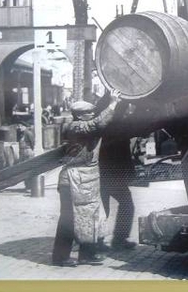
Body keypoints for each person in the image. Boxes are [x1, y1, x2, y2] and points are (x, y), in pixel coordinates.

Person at [52, 89, 122, 268]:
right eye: (89, 113)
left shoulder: (84, 125)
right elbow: (98, 124)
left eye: (92, 112)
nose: (92, 114)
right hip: (73, 180)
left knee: (91, 217)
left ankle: (86, 255)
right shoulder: (75, 127)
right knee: (69, 219)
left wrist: (109, 95)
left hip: (88, 180)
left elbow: (98, 120)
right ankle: (60, 257)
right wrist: (113, 103)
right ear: (80, 116)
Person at [98, 105, 137, 252]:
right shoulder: (121, 127)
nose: (129, 111)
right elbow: (123, 155)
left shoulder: (106, 126)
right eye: (127, 109)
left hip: (102, 173)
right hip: (112, 175)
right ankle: (119, 239)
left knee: (104, 208)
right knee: (127, 204)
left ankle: (97, 241)